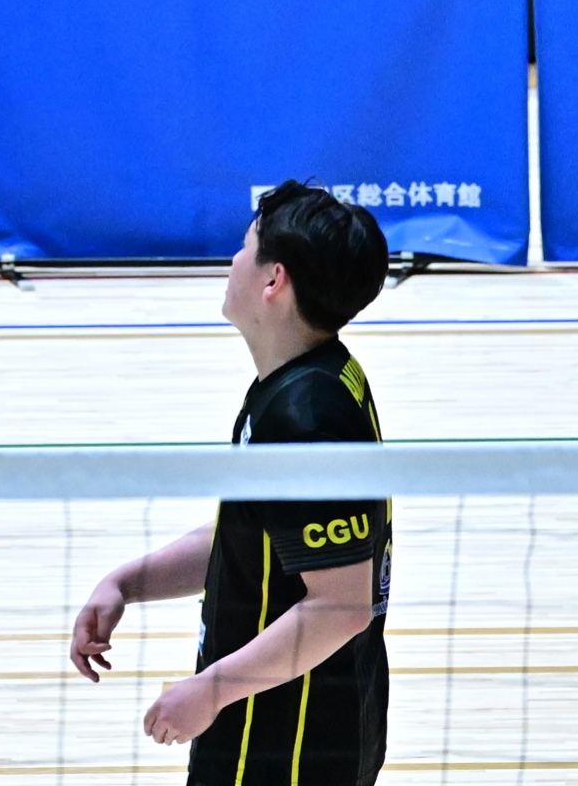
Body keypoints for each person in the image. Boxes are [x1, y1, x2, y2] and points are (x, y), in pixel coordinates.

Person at [69, 182, 393, 786]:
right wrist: (126, 583)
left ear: (274, 280)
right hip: (275, 718)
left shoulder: (307, 419)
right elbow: (255, 539)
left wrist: (211, 689)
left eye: (246, 246)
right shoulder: (300, 382)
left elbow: (340, 606)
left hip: (289, 744)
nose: (234, 260)